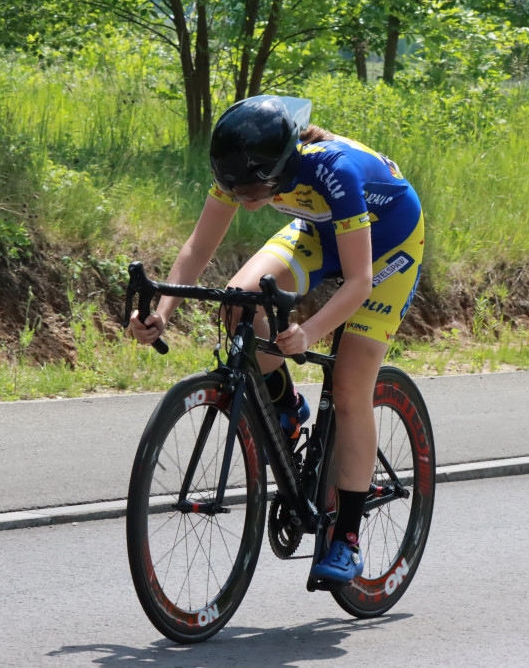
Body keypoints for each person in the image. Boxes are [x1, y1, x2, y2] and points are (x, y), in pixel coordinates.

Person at [127, 94, 424, 585]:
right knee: (238, 300)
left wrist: (309, 331)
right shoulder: (243, 169)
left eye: (252, 190)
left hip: (388, 244)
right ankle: (285, 410)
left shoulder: (336, 171)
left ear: (284, 166)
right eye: (233, 189)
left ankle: (347, 538)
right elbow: (199, 245)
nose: (243, 199)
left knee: (351, 391)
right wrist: (161, 313)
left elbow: (358, 283)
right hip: (319, 229)